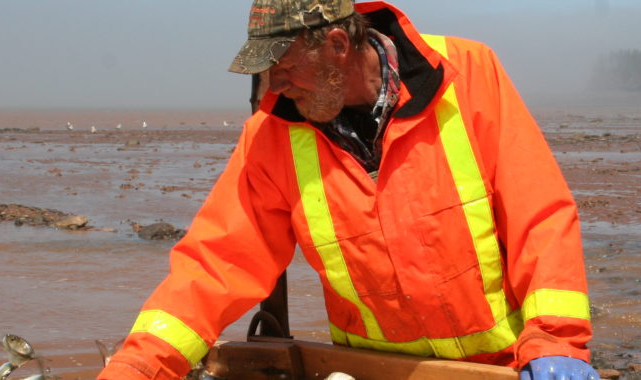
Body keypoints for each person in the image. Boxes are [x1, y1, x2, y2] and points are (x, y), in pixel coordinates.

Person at [99, 1, 598, 379]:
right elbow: (214, 265)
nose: (274, 84)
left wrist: (557, 342)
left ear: (338, 45)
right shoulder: (270, 136)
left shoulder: (470, 75)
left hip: (501, 368)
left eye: (286, 65)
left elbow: (540, 217)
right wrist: (138, 368)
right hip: (366, 370)